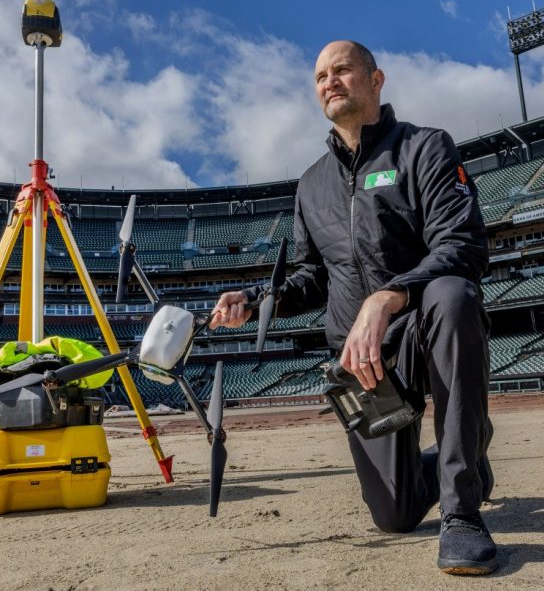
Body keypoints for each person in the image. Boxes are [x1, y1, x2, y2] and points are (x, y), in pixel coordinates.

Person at [209, 40, 497, 575]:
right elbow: (310, 278)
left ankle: (462, 512)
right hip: (360, 362)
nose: (329, 82)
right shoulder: (311, 184)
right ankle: (466, 460)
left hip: (420, 330)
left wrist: (389, 297)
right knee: (394, 514)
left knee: (453, 294)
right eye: (321, 76)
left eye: (342, 70)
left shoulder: (425, 148)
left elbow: (462, 245)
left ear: (375, 79)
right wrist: (253, 300)